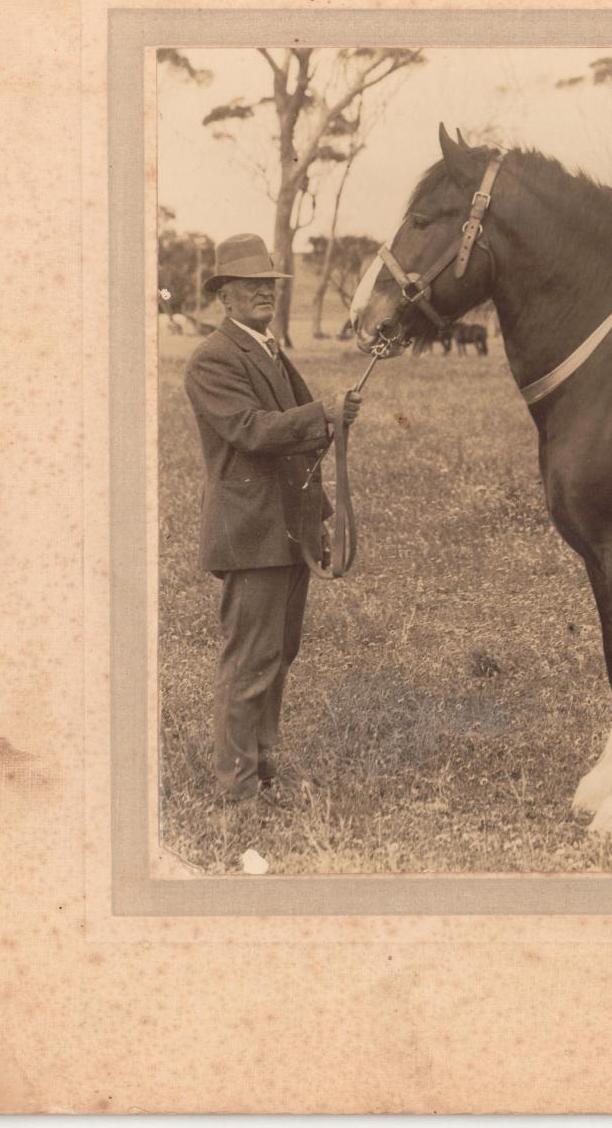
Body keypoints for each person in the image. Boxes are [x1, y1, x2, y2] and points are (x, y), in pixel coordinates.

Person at [183, 234, 363, 806]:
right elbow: (253, 430)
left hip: (288, 530)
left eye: (268, 284)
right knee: (250, 662)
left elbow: (299, 439)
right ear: (225, 297)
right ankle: (237, 793)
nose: (262, 292)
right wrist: (321, 413)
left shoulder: (268, 350)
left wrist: (321, 518)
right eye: (248, 285)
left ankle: (262, 774)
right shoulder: (213, 358)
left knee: (279, 655)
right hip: (252, 535)